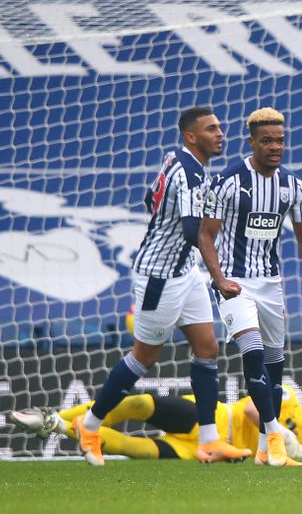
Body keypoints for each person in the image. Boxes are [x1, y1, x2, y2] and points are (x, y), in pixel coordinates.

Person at [73, 107, 251, 466]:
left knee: (207, 346)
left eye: (220, 127)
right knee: (145, 357)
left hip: (183, 270)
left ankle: (209, 441)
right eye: (211, 129)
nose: (221, 133)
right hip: (160, 277)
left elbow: (150, 201)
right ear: (191, 137)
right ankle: (89, 425)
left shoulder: (177, 160)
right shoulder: (186, 173)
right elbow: (191, 231)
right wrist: (218, 278)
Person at [198, 107, 302, 467]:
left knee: (274, 372)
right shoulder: (229, 182)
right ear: (252, 142)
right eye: (267, 141)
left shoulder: (293, 187)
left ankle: (262, 452)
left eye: (280, 141)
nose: (276, 147)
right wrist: (219, 279)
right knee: (253, 353)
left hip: (271, 284)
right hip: (234, 283)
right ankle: (275, 438)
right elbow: (205, 236)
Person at [8, 387, 302, 460]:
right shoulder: (286, 398)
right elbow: (252, 408)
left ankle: (60, 428)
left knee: (127, 447)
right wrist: (282, 434)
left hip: (207, 453)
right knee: (138, 403)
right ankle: (55, 416)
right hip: (210, 420)